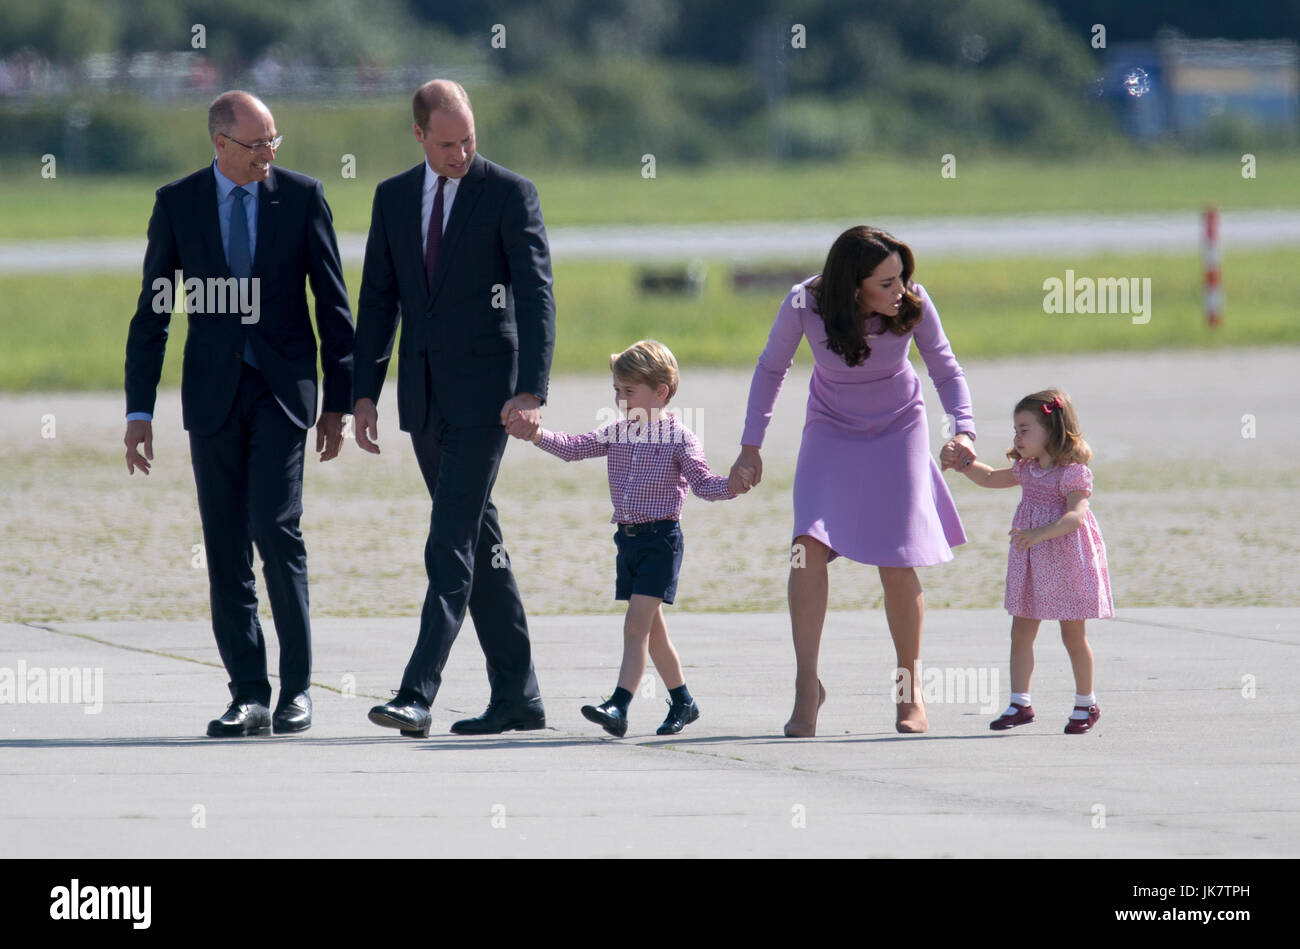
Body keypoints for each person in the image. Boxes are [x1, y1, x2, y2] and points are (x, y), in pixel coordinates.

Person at [123, 91, 355, 737]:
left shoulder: (302, 197)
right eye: (256, 144)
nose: (268, 153)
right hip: (214, 395)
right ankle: (249, 694)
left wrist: (338, 402)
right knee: (225, 544)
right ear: (220, 144)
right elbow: (154, 313)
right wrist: (139, 409)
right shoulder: (179, 203)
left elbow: (334, 309)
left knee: (275, 530)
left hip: (282, 393)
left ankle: (298, 691)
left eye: (274, 140)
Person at [354, 79, 555, 738]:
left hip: (488, 402)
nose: (461, 152)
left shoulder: (508, 193)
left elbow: (534, 293)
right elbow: (379, 301)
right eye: (446, 143)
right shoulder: (391, 198)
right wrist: (363, 392)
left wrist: (531, 390)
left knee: (448, 544)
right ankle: (518, 696)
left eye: (469, 139)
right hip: (423, 399)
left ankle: (416, 692)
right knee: (479, 544)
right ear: (419, 135)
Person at [731, 225, 977, 737]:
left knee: (897, 557)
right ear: (853, 284)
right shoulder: (805, 303)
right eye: (885, 283)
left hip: (899, 427)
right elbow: (771, 368)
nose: (899, 291)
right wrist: (750, 445)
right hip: (832, 428)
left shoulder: (914, 304)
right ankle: (807, 685)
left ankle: (910, 690)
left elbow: (945, 370)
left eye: (901, 278)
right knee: (806, 546)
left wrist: (964, 431)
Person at [508, 340, 747, 737]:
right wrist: (536, 435)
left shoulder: (680, 439)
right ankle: (684, 702)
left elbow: (705, 485)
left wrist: (733, 486)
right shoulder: (617, 433)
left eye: (629, 392)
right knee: (653, 634)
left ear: (661, 392)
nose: (621, 400)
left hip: (661, 542)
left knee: (635, 628)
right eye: (617, 391)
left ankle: (618, 706)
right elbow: (574, 448)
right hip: (629, 542)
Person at [943, 388, 1113, 734]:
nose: (1017, 437)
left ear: (1051, 430)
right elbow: (990, 477)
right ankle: (1020, 702)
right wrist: (962, 464)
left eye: (1024, 430)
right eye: (1015, 430)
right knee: (1020, 631)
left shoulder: (1072, 473)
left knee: (1073, 635)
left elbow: (1077, 516)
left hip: (1066, 560)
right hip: (1033, 564)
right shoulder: (1027, 469)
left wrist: (1041, 533)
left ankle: (1086, 702)